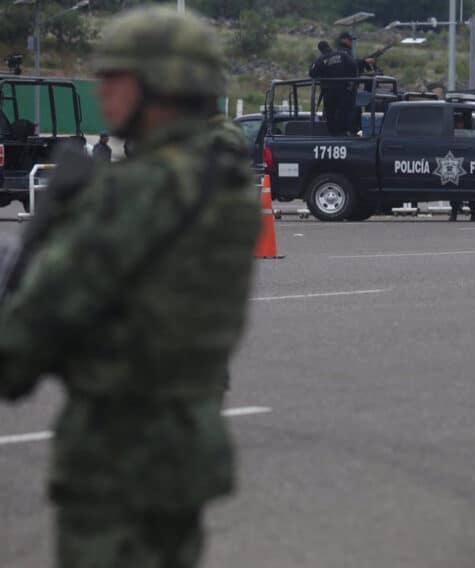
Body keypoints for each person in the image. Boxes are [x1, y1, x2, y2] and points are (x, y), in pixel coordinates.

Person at [0, 6, 260, 568]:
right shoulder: (223, 179)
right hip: (184, 448)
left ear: (163, 85)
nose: (102, 93)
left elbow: (20, 347)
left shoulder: (140, 192)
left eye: (116, 78)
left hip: (116, 457)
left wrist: (41, 239)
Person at [309, 33, 358, 136]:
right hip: (344, 91)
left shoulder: (321, 60)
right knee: (344, 114)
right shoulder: (342, 55)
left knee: (330, 116)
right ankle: (344, 134)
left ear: (321, 50)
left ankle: (333, 135)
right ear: (329, 47)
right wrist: (350, 82)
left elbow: (312, 73)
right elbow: (354, 65)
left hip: (328, 92)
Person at [449, 113, 475, 222]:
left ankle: (474, 214)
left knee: (473, 190)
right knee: (455, 191)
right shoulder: (454, 134)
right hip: (457, 164)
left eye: (461, 123)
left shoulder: (469, 134)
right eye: (458, 123)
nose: (460, 125)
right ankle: (454, 213)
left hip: (467, 163)